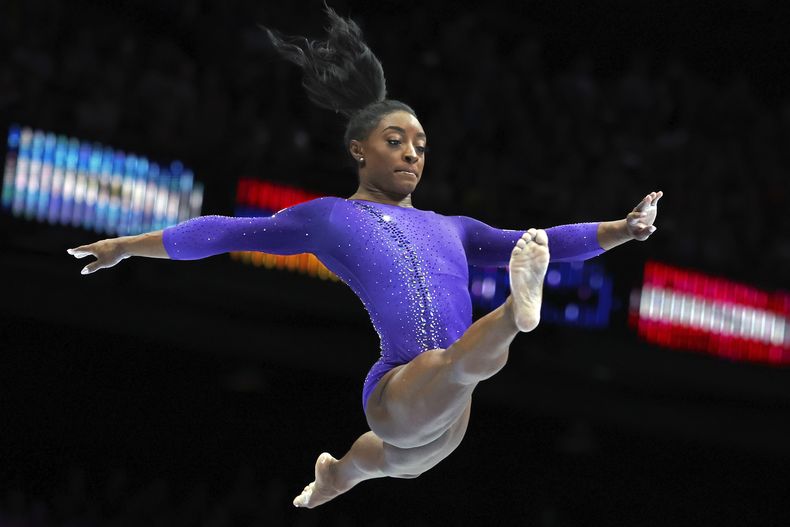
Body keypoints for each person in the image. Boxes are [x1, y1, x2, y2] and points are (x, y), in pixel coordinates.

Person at [67, 4, 663, 509]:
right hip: (399, 388)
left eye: (422, 146)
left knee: (396, 461)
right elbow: (223, 232)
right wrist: (125, 246)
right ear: (359, 149)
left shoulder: (450, 227)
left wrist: (622, 229)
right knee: (459, 368)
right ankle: (515, 312)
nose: (412, 154)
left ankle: (335, 475)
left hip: (447, 419)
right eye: (395, 140)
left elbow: (548, 242)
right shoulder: (329, 217)